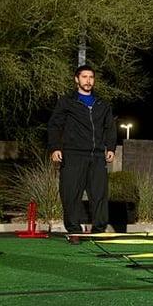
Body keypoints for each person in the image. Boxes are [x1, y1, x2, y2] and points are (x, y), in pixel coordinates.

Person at [47, 64, 117, 244]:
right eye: (84, 77)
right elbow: (55, 125)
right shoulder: (67, 101)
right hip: (73, 155)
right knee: (70, 193)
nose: (88, 80)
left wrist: (110, 148)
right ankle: (74, 230)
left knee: (99, 194)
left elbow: (110, 128)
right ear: (77, 79)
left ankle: (98, 230)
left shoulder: (102, 104)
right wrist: (55, 147)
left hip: (96, 156)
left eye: (91, 77)